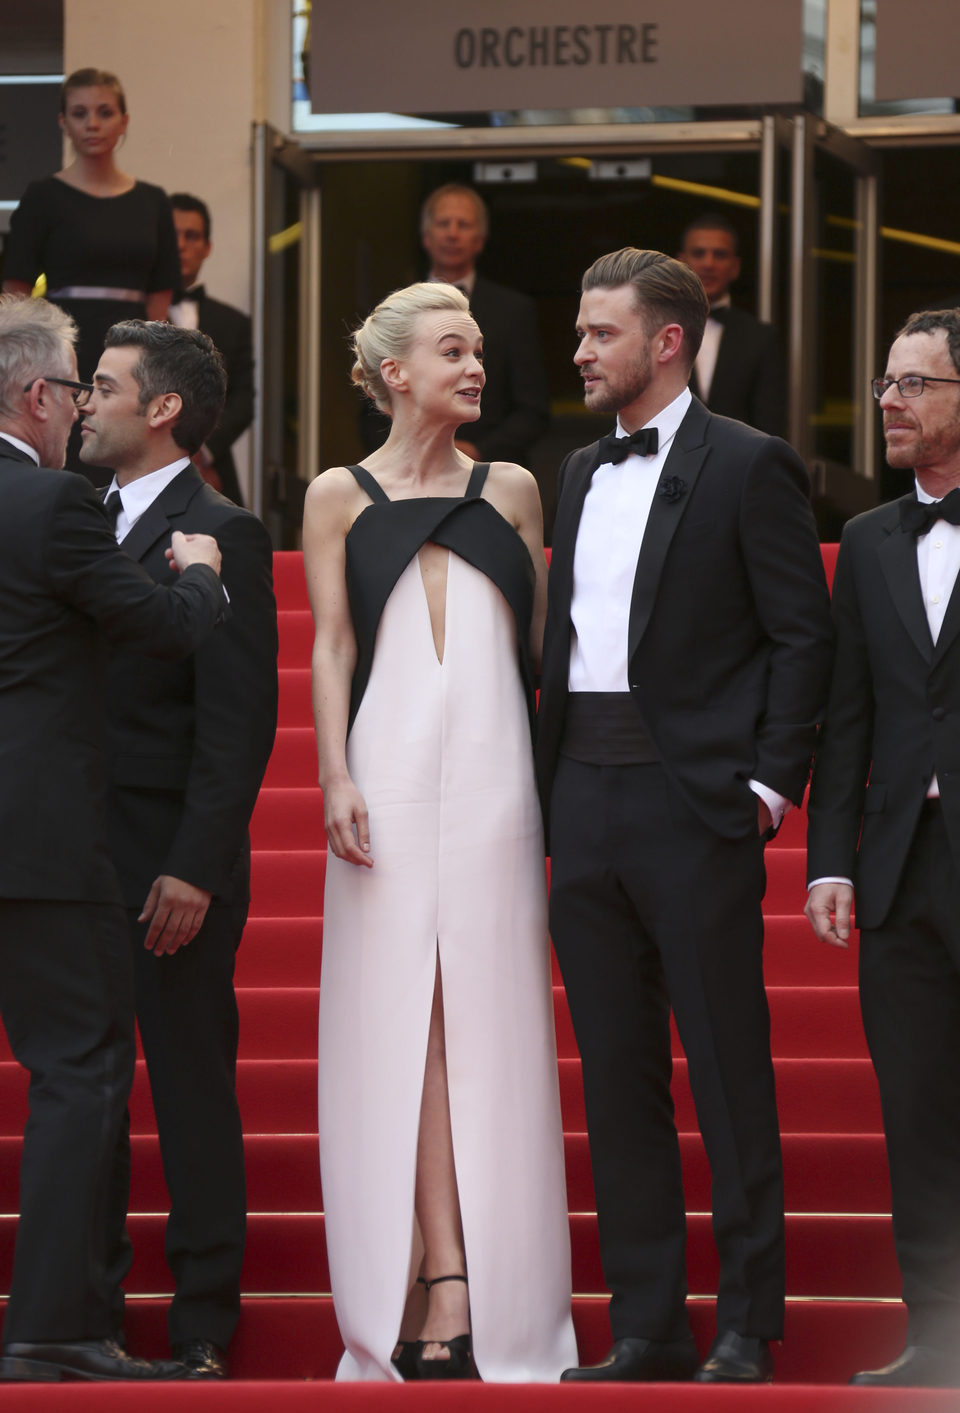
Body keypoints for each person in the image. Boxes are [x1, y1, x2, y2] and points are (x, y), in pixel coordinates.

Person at [536, 248, 833, 1384]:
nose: (578, 351)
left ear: (667, 342)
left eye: (597, 332)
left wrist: (765, 788)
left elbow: (802, 634)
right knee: (615, 1081)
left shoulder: (753, 465)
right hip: (585, 799)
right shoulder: (574, 469)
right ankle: (649, 1326)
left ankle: (750, 1324)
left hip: (694, 805)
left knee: (727, 1073)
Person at [303, 281, 576, 1383]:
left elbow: (547, 649)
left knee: (490, 1022)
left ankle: (489, 1295)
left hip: (498, 774)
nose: (477, 366)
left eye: (478, 348)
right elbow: (330, 649)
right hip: (386, 768)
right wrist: (331, 774)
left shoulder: (513, 487)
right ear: (394, 374)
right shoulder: (337, 493)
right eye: (453, 350)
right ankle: (430, 1274)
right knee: (401, 1031)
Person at [0, 294, 225, 1382]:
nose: (80, 405)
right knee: (81, 1071)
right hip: (43, 845)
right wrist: (203, 574)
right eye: (75, 386)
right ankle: (53, 1324)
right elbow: (170, 632)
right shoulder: (53, 507)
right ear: (36, 396)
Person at [77, 320, 279, 1380]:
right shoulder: (70, 517)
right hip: (76, 857)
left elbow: (237, 718)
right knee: (87, 1092)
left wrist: (197, 866)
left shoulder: (223, 532)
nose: (83, 401)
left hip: (171, 863)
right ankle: (87, 1309)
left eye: (103, 386)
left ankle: (204, 1317)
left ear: (162, 410)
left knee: (190, 1086)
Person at [805, 308, 960, 1390]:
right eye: (887, 384)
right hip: (903, 869)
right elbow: (844, 712)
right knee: (916, 1115)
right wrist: (830, 858)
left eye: (916, 384)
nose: (891, 402)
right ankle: (940, 1334)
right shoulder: (864, 541)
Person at [2, 68, 179, 479]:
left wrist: (147, 359)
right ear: (63, 123)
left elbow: (162, 293)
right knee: (68, 461)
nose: (93, 124)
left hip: (134, 356)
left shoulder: (153, 202)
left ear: (124, 121)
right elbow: (15, 293)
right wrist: (34, 363)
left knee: (133, 455)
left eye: (104, 112)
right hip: (63, 354)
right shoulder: (42, 196)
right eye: (80, 114)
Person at [362, 186, 549, 467]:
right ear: (426, 237)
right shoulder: (392, 310)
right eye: (443, 223)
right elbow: (372, 402)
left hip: (489, 469)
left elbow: (533, 410)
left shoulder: (514, 310)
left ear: (480, 239)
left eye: (463, 224)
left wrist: (476, 451)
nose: (452, 233)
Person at [168, 193, 254, 506]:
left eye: (191, 236)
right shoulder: (132, 318)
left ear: (207, 247)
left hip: (212, 468)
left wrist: (202, 451)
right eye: (172, 234)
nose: (180, 245)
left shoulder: (234, 322)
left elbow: (244, 400)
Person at [677, 213, 786, 437]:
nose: (708, 263)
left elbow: (770, 425)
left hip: (739, 466)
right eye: (699, 253)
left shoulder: (761, 337)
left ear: (735, 267)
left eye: (720, 255)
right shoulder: (655, 330)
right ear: (680, 263)